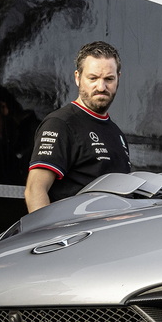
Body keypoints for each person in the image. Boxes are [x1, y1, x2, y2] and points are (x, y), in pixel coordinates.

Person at [25, 41, 132, 212]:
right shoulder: (60, 124)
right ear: (77, 77)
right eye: (93, 78)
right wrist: (51, 237)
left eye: (109, 79)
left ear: (118, 79)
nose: (101, 87)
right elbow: (35, 190)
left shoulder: (117, 134)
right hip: (78, 236)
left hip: (111, 235)